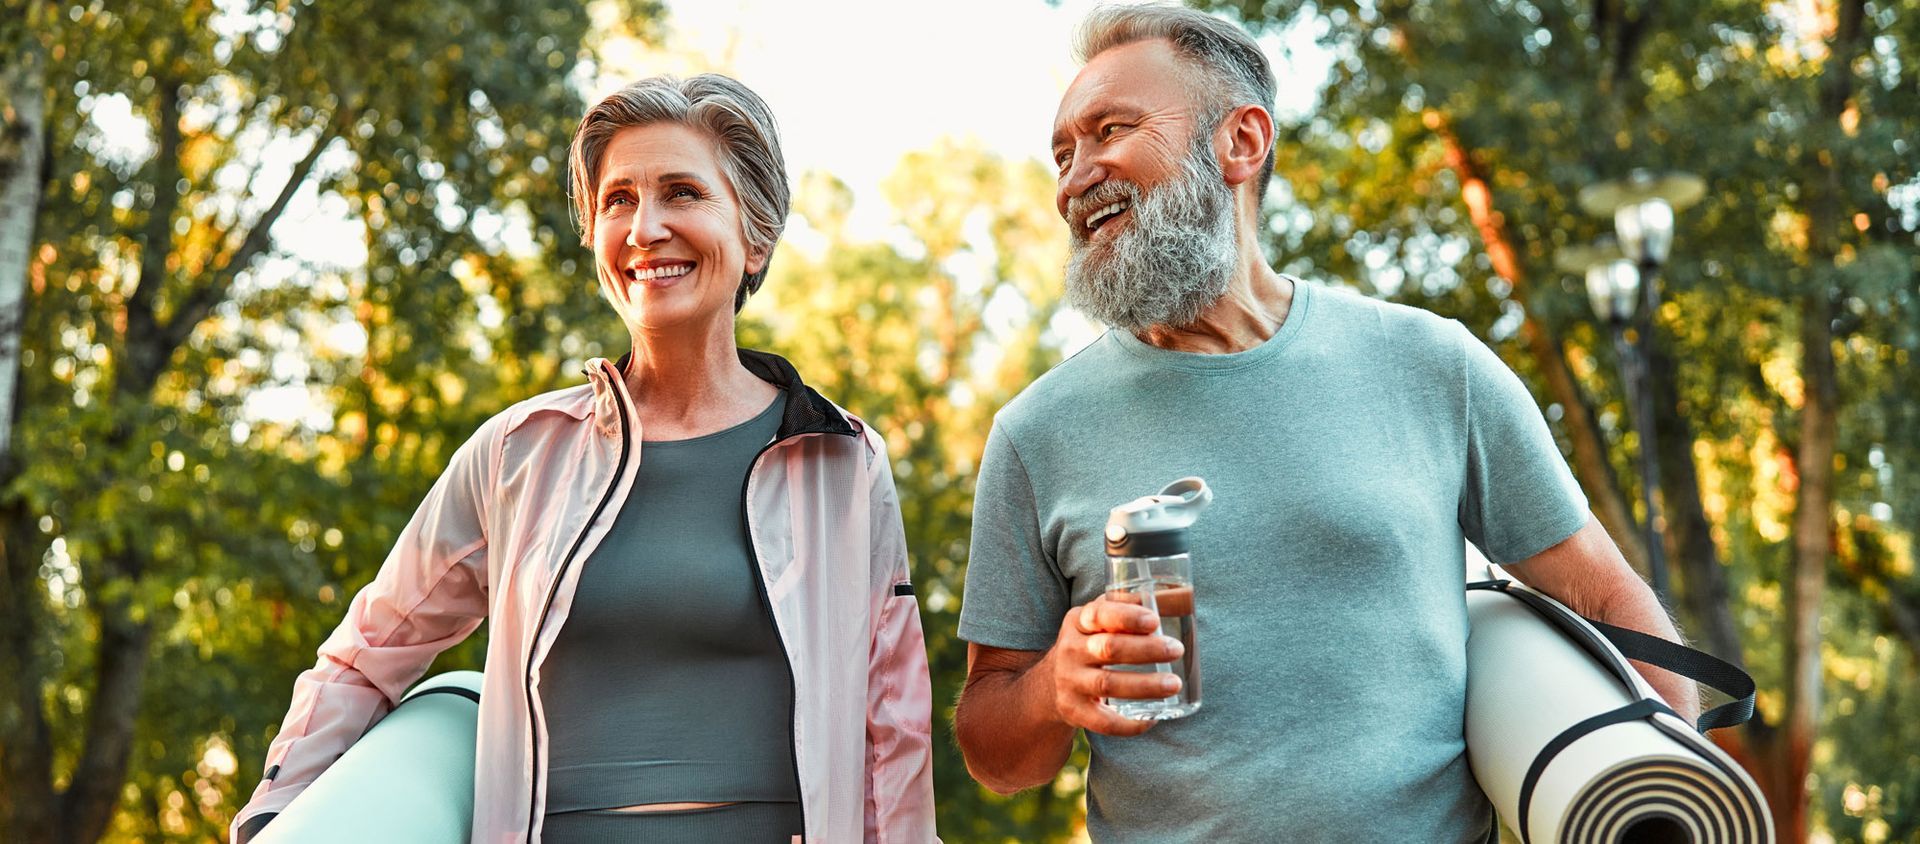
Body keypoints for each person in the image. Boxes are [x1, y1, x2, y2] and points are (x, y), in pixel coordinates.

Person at [952, 6, 1697, 841]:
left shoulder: (1432, 364)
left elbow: (1602, 594)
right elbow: (994, 752)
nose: (1074, 178)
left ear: (1242, 142)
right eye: (1062, 153)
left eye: (1109, 131)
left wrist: (1675, 784)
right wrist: (1055, 684)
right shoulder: (1035, 433)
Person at [232, 74, 936, 843]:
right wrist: (271, 814)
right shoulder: (516, 454)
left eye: (682, 193)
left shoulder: (842, 461)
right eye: (618, 200)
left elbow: (891, 725)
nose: (644, 228)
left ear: (755, 235)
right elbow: (369, 653)